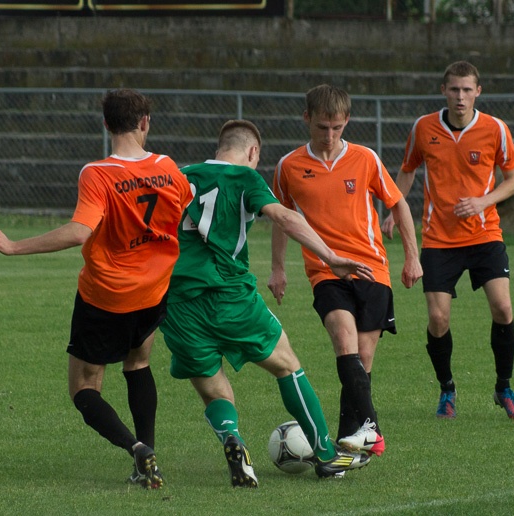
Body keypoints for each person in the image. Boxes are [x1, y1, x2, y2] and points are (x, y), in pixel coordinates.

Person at [0, 88, 192, 488]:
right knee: (138, 364)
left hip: (106, 296)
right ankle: (148, 452)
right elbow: (187, 205)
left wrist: (12, 245)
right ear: (145, 123)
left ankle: (137, 450)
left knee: (82, 388)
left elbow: (79, 232)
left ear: (106, 124)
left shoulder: (98, 173)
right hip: (154, 292)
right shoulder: (169, 167)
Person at [159, 119, 374, 485]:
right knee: (288, 366)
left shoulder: (178, 177)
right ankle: (325, 455)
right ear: (253, 152)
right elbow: (285, 217)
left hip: (176, 304)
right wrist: (330, 256)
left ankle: (232, 439)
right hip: (230, 297)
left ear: (218, 147)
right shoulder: (245, 179)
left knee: (213, 389)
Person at [269, 84, 422, 457]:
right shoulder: (289, 167)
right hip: (326, 272)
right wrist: (278, 269)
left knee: (361, 362)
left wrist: (412, 257)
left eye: (337, 127)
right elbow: (281, 219)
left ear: (347, 121)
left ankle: (346, 439)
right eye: (322, 127)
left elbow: (398, 205)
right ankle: (373, 429)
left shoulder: (365, 158)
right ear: (307, 119)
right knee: (343, 342)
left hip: (371, 270)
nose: (330, 135)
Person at [383, 60, 514, 420]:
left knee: (503, 309)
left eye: (467, 90)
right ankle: (447, 390)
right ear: (443, 91)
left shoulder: (495, 129)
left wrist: (483, 201)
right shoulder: (423, 128)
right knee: (438, 319)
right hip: (438, 238)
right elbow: (407, 171)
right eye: (454, 89)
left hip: (484, 234)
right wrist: (393, 208)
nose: (460, 96)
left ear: (478, 92)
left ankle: (504, 387)